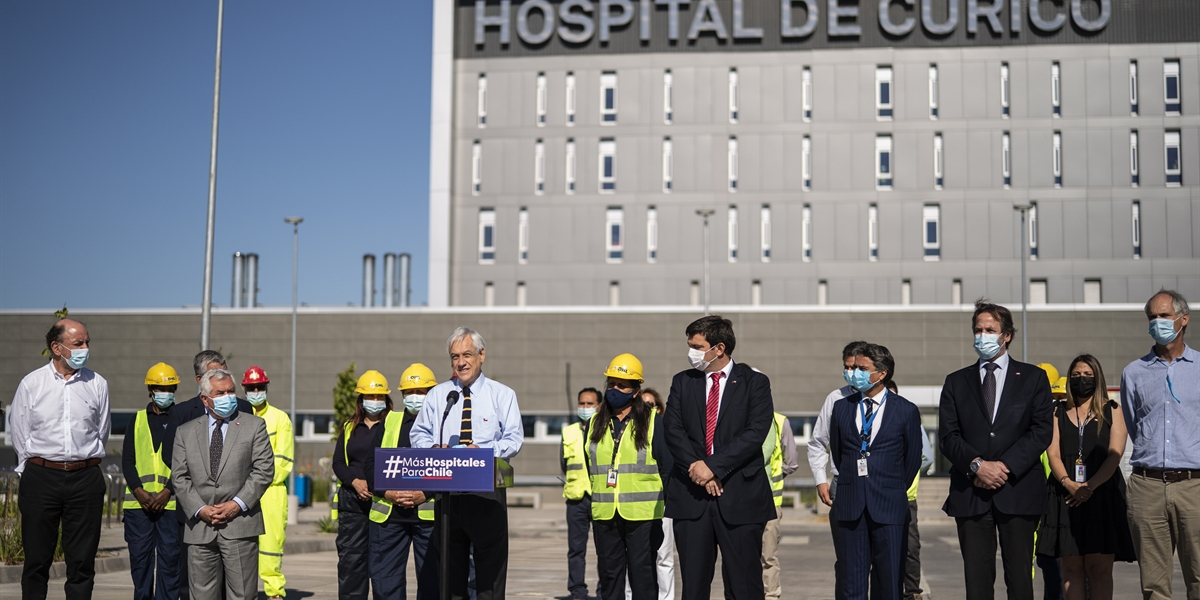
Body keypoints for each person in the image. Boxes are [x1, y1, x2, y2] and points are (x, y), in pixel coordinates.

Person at [939, 300, 1054, 600]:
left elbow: (1041, 431)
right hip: (971, 494)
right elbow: (948, 436)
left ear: (1007, 335)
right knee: (977, 585)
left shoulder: (1033, 378)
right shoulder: (956, 381)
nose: (982, 336)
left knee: (1020, 583)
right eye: (978, 330)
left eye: (990, 329)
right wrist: (978, 465)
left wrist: (1002, 467)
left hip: (1017, 491)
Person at [663, 315, 775, 600]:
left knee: (744, 583)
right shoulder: (682, 382)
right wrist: (698, 469)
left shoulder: (755, 383)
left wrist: (712, 467)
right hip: (692, 496)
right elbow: (673, 430)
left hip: (740, 495)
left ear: (719, 348)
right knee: (694, 584)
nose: (691, 352)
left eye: (697, 346)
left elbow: (754, 433)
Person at [411, 327, 524, 600]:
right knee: (450, 578)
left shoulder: (502, 395)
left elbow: (514, 439)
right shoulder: (439, 396)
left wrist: (483, 452)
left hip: (486, 493)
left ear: (481, 355)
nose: (460, 362)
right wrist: (432, 448)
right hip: (449, 496)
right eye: (454, 357)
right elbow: (418, 433)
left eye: (467, 355)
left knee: (489, 580)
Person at [11, 319, 111, 600]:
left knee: (82, 562)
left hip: (85, 479)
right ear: (57, 347)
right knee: (36, 560)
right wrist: (32, 470)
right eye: (78, 343)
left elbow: (100, 432)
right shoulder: (32, 384)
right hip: (41, 477)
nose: (85, 348)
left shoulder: (97, 384)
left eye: (87, 342)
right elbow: (20, 433)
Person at [1121, 289, 1199, 600]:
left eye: (1164, 316)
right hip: (1147, 485)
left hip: (1194, 485)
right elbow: (1132, 424)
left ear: (1183, 319)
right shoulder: (1134, 372)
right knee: (1154, 586)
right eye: (1152, 317)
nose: (1157, 322)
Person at [1036, 355, 1135, 600]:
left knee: (1099, 570)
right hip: (1065, 496)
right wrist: (1069, 484)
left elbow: (1115, 455)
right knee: (1071, 570)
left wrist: (1089, 486)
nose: (1082, 379)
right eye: (1077, 375)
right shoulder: (1057, 412)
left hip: (1102, 495)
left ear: (1098, 378)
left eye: (1088, 375)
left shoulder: (1113, 411)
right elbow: (1053, 454)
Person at [829, 343, 923, 600]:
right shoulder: (842, 407)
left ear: (881, 373)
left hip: (889, 506)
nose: (855, 373)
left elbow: (912, 459)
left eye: (862, 368)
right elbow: (838, 453)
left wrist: (889, 487)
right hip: (850, 505)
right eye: (854, 367)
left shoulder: (906, 410)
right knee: (851, 580)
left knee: (889, 580)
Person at [170, 368, 274, 600]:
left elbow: (263, 471)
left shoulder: (254, 426)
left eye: (231, 391)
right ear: (205, 399)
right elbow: (179, 476)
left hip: (239, 524)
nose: (228, 397)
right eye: (220, 393)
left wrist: (236, 505)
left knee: (243, 594)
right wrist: (200, 508)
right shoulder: (185, 432)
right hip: (200, 526)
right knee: (202, 595)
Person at [163, 350, 252, 598]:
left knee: (238, 586)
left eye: (224, 370)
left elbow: (252, 461)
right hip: (196, 513)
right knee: (194, 583)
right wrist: (199, 505)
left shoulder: (244, 409)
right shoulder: (182, 413)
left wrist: (235, 502)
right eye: (214, 373)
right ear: (200, 380)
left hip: (236, 515)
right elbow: (172, 459)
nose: (222, 378)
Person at [588, 354, 671, 600]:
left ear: (635, 390)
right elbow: (589, 464)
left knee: (642, 576)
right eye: (611, 384)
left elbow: (667, 467)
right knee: (609, 576)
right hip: (605, 513)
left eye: (622, 385)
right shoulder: (595, 422)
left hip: (643, 515)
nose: (614, 389)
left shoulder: (654, 421)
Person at [368, 363, 441, 600]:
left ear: (432, 393)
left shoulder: (443, 424)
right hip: (389, 518)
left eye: (421, 391)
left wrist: (425, 494)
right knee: (385, 585)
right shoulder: (389, 421)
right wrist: (387, 492)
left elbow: (449, 469)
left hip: (428, 517)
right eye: (409, 392)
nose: (414, 397)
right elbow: (370, 466)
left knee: (433, 584)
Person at [808, 340, 869, 600]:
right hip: (842, 485)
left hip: (878, 487)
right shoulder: (835, 399)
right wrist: (821, 480)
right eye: (847, 367)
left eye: (857, 367)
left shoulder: (889, 400)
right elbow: (817, 443)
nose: (851, 372)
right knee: (848, 561)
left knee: (881, 561)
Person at [122, 362, 183, 600]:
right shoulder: (136, 421)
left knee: (170, 562)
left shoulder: (182, 419)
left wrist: (168, 491)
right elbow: (128, 460)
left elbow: (186, 461)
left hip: (170, 504)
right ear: (150, 389)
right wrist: (138, 491)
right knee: (140, 563)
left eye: (170, 389)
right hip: (139, 507)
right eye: (159, 388)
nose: (165, 393)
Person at [333, 369, 393, 600]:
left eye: (379, 397)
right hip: (352, 504)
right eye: (370, 396)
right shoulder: (350, 427)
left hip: (383, 502)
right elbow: (338, 462)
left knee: (383, 564)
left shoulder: (393, 426)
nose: (375, 401)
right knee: (351, 563)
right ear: (361, 399)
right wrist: (355, 482)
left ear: (386, 400)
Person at [241, 366, 293, 600]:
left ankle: (274, 593)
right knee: (240, 546)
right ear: (244, 389)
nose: (255, 391)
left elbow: (283, 460)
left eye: (259, 387)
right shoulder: (239, 418)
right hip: (241, 492)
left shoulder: (280, 418)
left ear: (266, 388)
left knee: (271, 546)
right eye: (251, 388)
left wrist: (257, 483)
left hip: (271, 491)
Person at [887, 380, 934, 600]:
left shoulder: (910, 420)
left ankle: (911, 591)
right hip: (884, 495)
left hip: (905, 496)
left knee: (909, 546)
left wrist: (906, 473)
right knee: (895, 548)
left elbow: (926, 458)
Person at [564, 387, 602, 600]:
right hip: (576, 499)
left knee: (604, 550)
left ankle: (603, 591)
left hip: (600, 498)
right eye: (582, 403)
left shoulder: (604, 430)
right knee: (576, 550)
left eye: (590, 404)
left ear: (599, 406)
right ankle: (577, 591)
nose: (585, 408)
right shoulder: (568, 432)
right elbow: (564, 463)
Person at [1034, 364, 1066, 600]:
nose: (1054, 403)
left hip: (1062, 502)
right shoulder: (1033, 423)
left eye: (1060, 398)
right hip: (1038, 507)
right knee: (1049, 569)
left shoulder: (1064, 422)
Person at [760, 408, 799, 600]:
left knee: (767, 556)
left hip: (770, 501)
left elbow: (791, 462)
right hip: (749, 502)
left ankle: (771, 595)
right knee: (766, 556)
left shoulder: (779, 422)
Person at [642, 387, 675, 600]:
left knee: (664, 556)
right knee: (637, 559)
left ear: (659, 408)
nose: (646, 410)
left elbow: (668, 467)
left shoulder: (663, 431)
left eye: (650, 406)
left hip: (661, 502)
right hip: (637, 506)